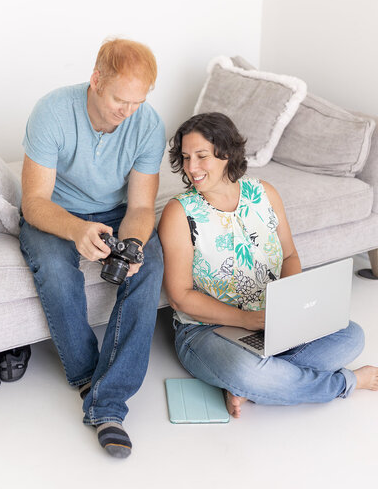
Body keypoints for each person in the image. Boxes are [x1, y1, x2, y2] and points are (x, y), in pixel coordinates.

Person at [158, 112, 378, 418]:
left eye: (201, 156)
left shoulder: (263, 194)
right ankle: (343, 383)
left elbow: (289, 256)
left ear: (226, 154)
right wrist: (245, 320)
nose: (191, 167)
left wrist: (291, 311)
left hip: (272, 324)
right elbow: (180, 296)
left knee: (351, 336)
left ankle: (257, 385)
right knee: (245, 371)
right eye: (185, 157)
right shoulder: (179, 213)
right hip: (207, 331)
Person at [19, 38, 165, 458]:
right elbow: (34, 204)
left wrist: (133, 245)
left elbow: (140, 206)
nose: (128, 111)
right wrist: (78, 230)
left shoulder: (148, 123)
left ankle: (108, 402)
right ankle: (88, 375)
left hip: (117, 211)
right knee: (53, 263)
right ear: (96, 80)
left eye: (137, 101)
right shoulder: (53, 111)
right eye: (120, 98)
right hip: (55, 211)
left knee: (149, 263)